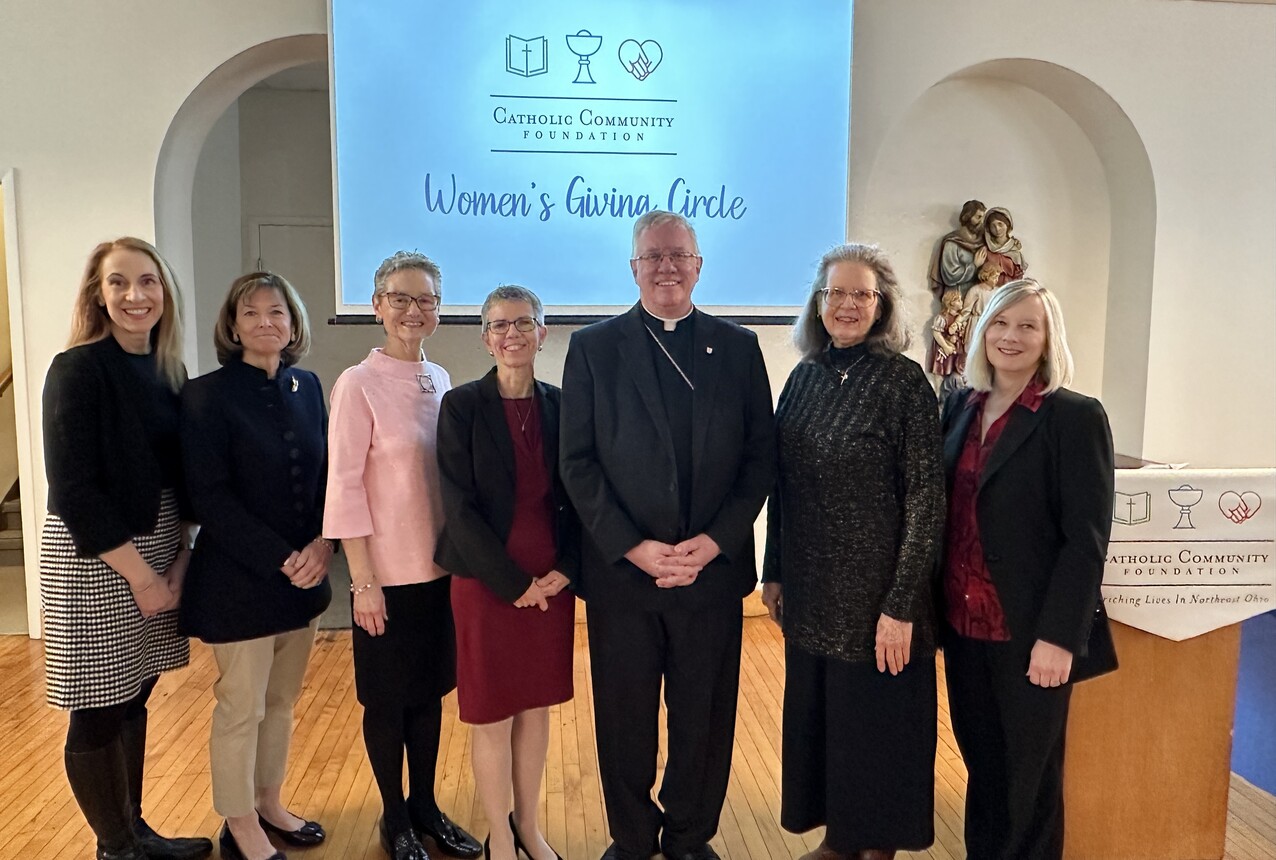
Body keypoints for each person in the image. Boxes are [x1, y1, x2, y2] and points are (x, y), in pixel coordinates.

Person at [560, 211, 776, 860]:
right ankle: (631, 837)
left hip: (709, 573)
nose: (666, 267)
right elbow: (577, 462)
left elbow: (759, 458)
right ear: (633, 268)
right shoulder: (594, 348)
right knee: (624, 719)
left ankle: (688, 835)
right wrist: (633, 546)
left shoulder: (737, 348)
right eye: (652, 257)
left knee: (703, 718)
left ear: (699, 265)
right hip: (625, 574)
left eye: (678, 255)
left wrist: (714, 542)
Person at [761, 244, 945, 860]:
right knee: (830, 723)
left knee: (878, 728)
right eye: (835, 293)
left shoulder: (902, 382)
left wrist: (901, 606)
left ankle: (876, 846)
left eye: (860, 294)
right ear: (818, 303)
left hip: (880, 597)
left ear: (881, 304)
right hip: (813, 590)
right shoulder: (804, 378)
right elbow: (782, 485)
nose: (846, 305)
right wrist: (775, 570)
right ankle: (842, 837)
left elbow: (926, 499)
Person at [41, 237, 213, 860]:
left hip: (161, 543)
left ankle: (136, 831)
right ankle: (114, 845)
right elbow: (74, 489)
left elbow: (183, 473)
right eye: (119, 282)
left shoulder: (168, 370)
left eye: (148, 282)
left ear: (166, 293)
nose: (135, 296)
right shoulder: (78, 368)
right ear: (98, 293)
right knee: (95, 704)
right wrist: (144, 576)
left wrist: (183, 552)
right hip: (99, 556)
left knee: (133, 689)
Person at [939, 279, 1117, 860]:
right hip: (965, 630)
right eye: (999, 323)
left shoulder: (1074, 417)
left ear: (1047, 339)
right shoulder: (959, 406)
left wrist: (1060, 638)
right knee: (985, 771)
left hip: (1031, 634)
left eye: (1027, 326)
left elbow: (1085, 540)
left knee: (1032, 784)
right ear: (982, 330)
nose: (1010, 337)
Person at [323, 251, 481, 860]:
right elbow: (343, 486)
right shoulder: (356, 384)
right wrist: (362, 583)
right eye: (401, 298)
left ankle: (426, 807)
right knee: (387, 701)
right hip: (382, 578)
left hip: (438, 572)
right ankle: (394, 818)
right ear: (377, 305)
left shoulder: (438, 379)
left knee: (429, 694)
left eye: (426, 300)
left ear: (438, 310)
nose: (413, 310)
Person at [179, 273, 332, 860]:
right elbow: (210, 497)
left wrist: (323, 545)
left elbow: (326, 482)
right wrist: (281, 557)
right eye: (252, 312)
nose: (266, 321)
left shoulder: (309, 386)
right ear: (233, 325)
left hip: (305, 582)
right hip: (239, 582)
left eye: (278, 311)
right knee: (241, 706)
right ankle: (239, 822)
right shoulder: (206, 394)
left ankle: (269, 802)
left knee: (281, 703)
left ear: (293, 324)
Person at [435, 285, 579, 860]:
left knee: (536, 707)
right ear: (485, 337)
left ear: (543, 334)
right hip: (486, 582)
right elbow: (457, 506)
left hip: (552, 583)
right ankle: (498, 835)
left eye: (524, 323)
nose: (512, 334)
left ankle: (529, 826)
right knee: (491, 714)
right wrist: (512, 583)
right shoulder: (462, 406)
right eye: (500, 325)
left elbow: (581, 499)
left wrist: (564, 571)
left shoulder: (564, 405)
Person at [929, 199, 987, 299]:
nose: (981, 222)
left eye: (983, 218)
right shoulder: (952, 243)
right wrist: (974, 266)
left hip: (978, 298)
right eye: (978, 217)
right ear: (967, 217)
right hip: (957, 297)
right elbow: (950, 275)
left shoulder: (982, 241)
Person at [981, 207, 1026, 286]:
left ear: (1007, 225)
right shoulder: (986, 249)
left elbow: (1018, 277)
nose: (997, 229)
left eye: (1000, 224)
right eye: (993, 226)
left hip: (1009, 290)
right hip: (990, 292)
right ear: (988, 229)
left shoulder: (1014, 249)